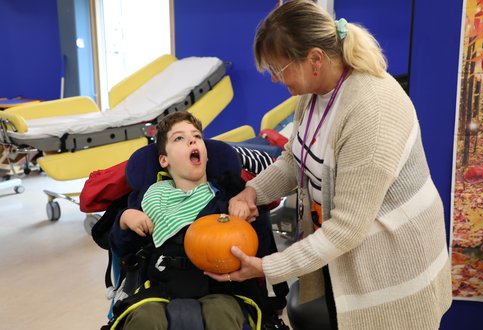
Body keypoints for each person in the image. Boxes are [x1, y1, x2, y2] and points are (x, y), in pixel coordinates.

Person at [206, 1, 453, 329]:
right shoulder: (312, 94)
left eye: (279, 70)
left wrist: (269, 267)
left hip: (394, 259)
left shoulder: (371, 110)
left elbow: (348, 228)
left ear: (315, 60)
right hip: (348, 247)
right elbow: (295, 159)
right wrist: (253, 191)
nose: (276, 81)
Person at [109, 111, 287, 330]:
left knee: (221, 314)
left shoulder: (228, 198)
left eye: (197, 136)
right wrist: (125, 220)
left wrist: (247, 218)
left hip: (221, 287)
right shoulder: (149, 198)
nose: (192, 139)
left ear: (206, 155)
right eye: (179, 138)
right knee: (145, 317)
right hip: (161, 286)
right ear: (164, 160)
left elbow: (261, 250)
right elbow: (122, 249)